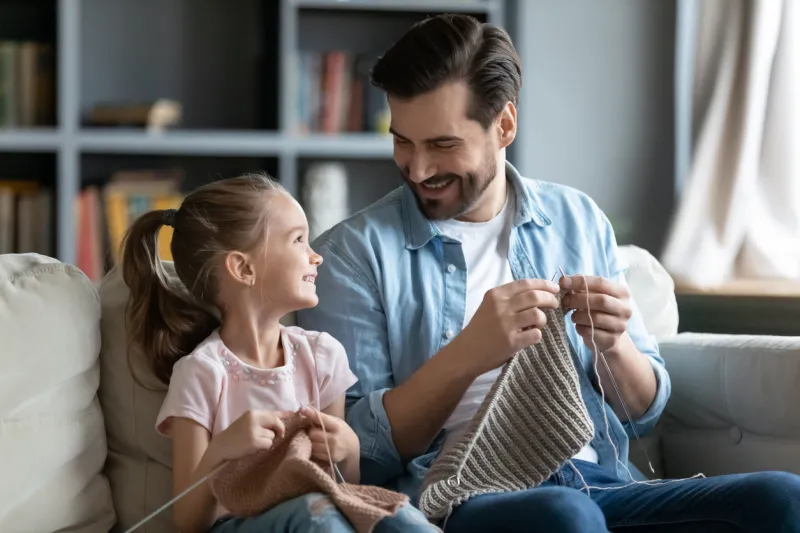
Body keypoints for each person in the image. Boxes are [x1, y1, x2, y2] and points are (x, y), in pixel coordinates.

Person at [296, 13, 800, 533]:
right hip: (466, 494)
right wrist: (469, 353)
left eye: (443, 144)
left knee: (782, 497)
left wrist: (614, 346)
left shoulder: (576, 218)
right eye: (403, 141)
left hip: (601, 484)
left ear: (504, 125)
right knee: (566, 515)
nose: (418, 169)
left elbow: (642, 412)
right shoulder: (352, 254)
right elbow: (359, 454)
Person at [120, 173, 440, 533]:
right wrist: (221, 450)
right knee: (316, 515)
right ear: (244, 268)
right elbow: (189, 522)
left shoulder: (321, 356)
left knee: (398, 516)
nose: (316, 256)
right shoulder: (201, 373)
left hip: (320, 513)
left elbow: (341, 490)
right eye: (298, 240)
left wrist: (348, 449)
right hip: (240, 526)